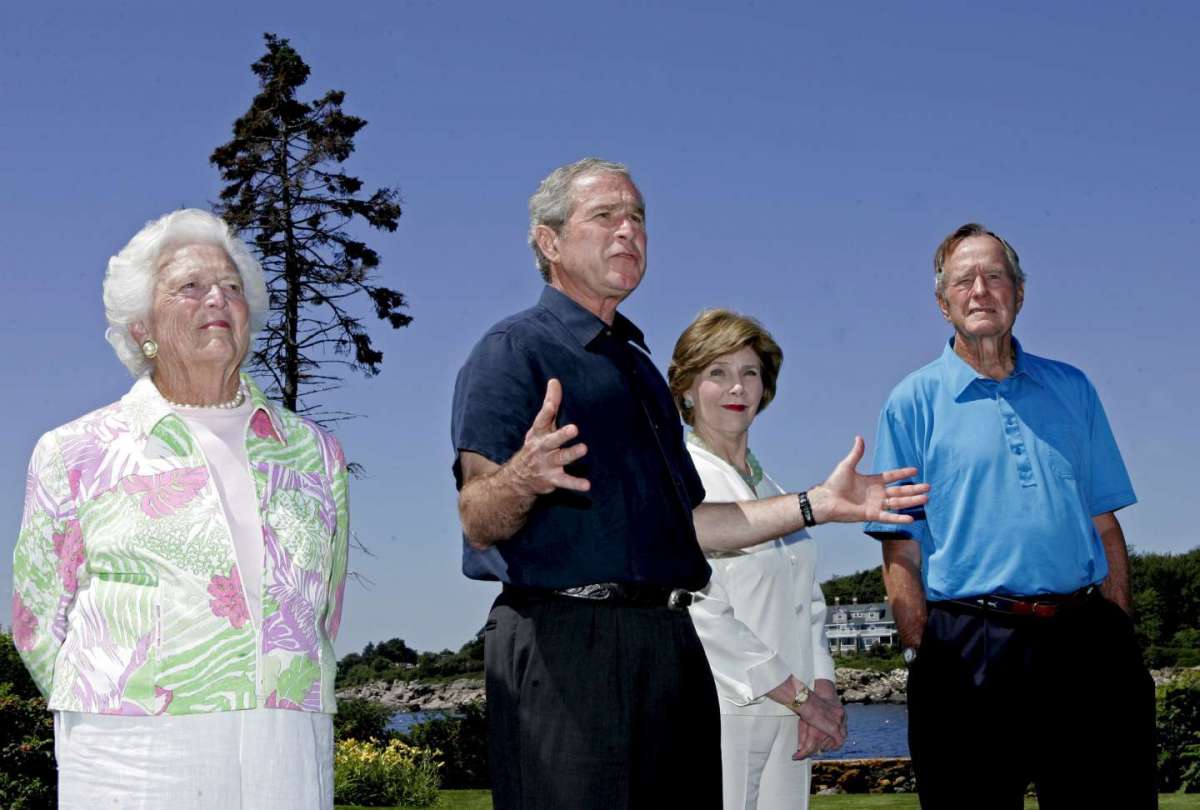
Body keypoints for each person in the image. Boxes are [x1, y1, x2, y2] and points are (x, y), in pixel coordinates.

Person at [451, 157, 929, 810]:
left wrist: (818, 504)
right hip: (569, 647)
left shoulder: (641, 371)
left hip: (670, 649)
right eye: (606, 216)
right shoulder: (513, 352)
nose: (629, 231)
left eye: (638, 217)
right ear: (550, 240)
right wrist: (522, 478)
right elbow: (478, 513)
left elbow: (694, 524)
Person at [11, 209, 350, 810]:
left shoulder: (314, 452)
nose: (216, 298)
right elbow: (39, 621)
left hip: (287, 740)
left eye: (232, 287)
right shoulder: (75, 451)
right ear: (142, 323)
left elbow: (325, 606)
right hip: (132, 747)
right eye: (190, 287)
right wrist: (122, 688)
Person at [865, 223, 1155, 810]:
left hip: (1085, 640)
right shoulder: (911, 403)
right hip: (967, 641)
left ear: (1019, 294)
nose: (980, 290)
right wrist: (922, 648)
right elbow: (901, 547)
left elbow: (1104, 522)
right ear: (942, 302)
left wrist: (1118, 626)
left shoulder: (1073, 388)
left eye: (995, 276)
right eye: (963, 280)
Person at [668, 309, 843, 810]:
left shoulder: (773, 490)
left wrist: (822, 691)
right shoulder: (681, 486)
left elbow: (809, 604)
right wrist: (801, 698)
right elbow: (702, 613)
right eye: (716, 373)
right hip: (723, 715)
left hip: (794, 716)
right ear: (685, 389)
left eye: (749, 372)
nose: (736, 387)